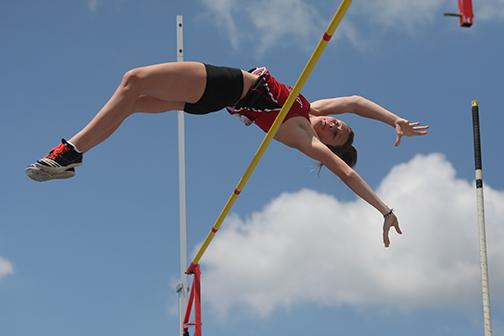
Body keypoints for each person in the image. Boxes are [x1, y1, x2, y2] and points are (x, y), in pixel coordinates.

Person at [26, 61, 428, 247]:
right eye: (341, 125)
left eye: (338, 136)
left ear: (328, 145)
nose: (337, 126)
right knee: (133, 99)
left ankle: (72, 150)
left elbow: (346, 173)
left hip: (231, 88)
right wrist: (394, 119)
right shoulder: (312, 108)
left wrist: (385, 209)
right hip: (219, 101)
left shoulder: (305, 135)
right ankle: (72, 156)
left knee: (133, 79)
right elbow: (356, 101)